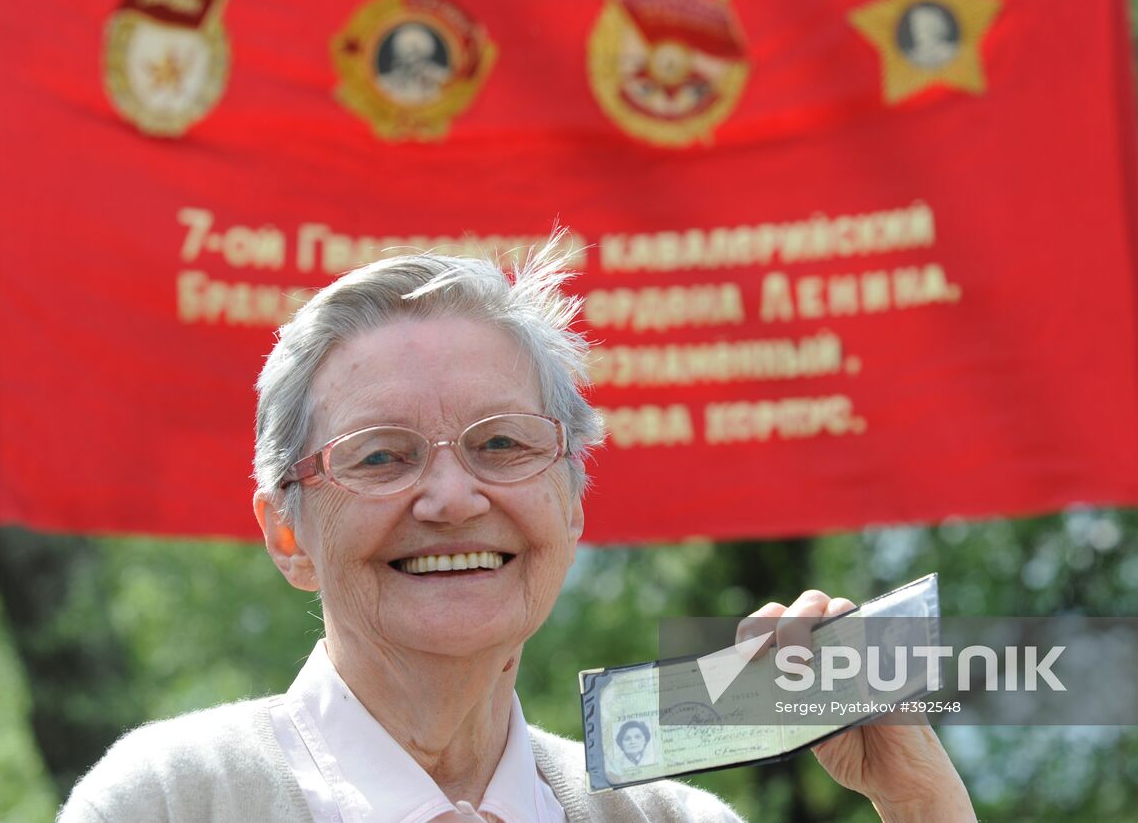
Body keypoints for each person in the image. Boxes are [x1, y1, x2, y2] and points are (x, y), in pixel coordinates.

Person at [59, 241, 976, 822]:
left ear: (572, 502)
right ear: (287, 534)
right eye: (381, 457)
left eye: (502, 444)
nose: (454, 498)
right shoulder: (170, 800)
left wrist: (917, 802)